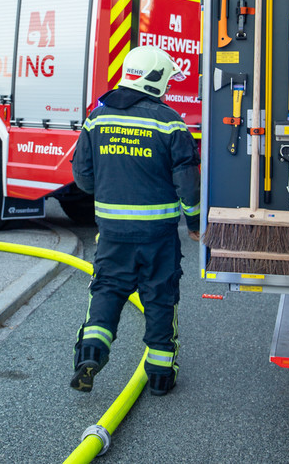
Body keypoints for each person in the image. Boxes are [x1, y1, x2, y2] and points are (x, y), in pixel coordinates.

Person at [69, 45, 201, 397]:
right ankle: (160, 375)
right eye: (167, 80)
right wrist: (194, 223)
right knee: (160, 298)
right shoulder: (169, 122)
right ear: (154, 79)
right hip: (158, 235)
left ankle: (90, 354)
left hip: (112, 233)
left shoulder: (97, 118)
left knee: (107, 290)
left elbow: (82, 177)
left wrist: (112, 188)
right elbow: (187, 184)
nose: (169, 87)